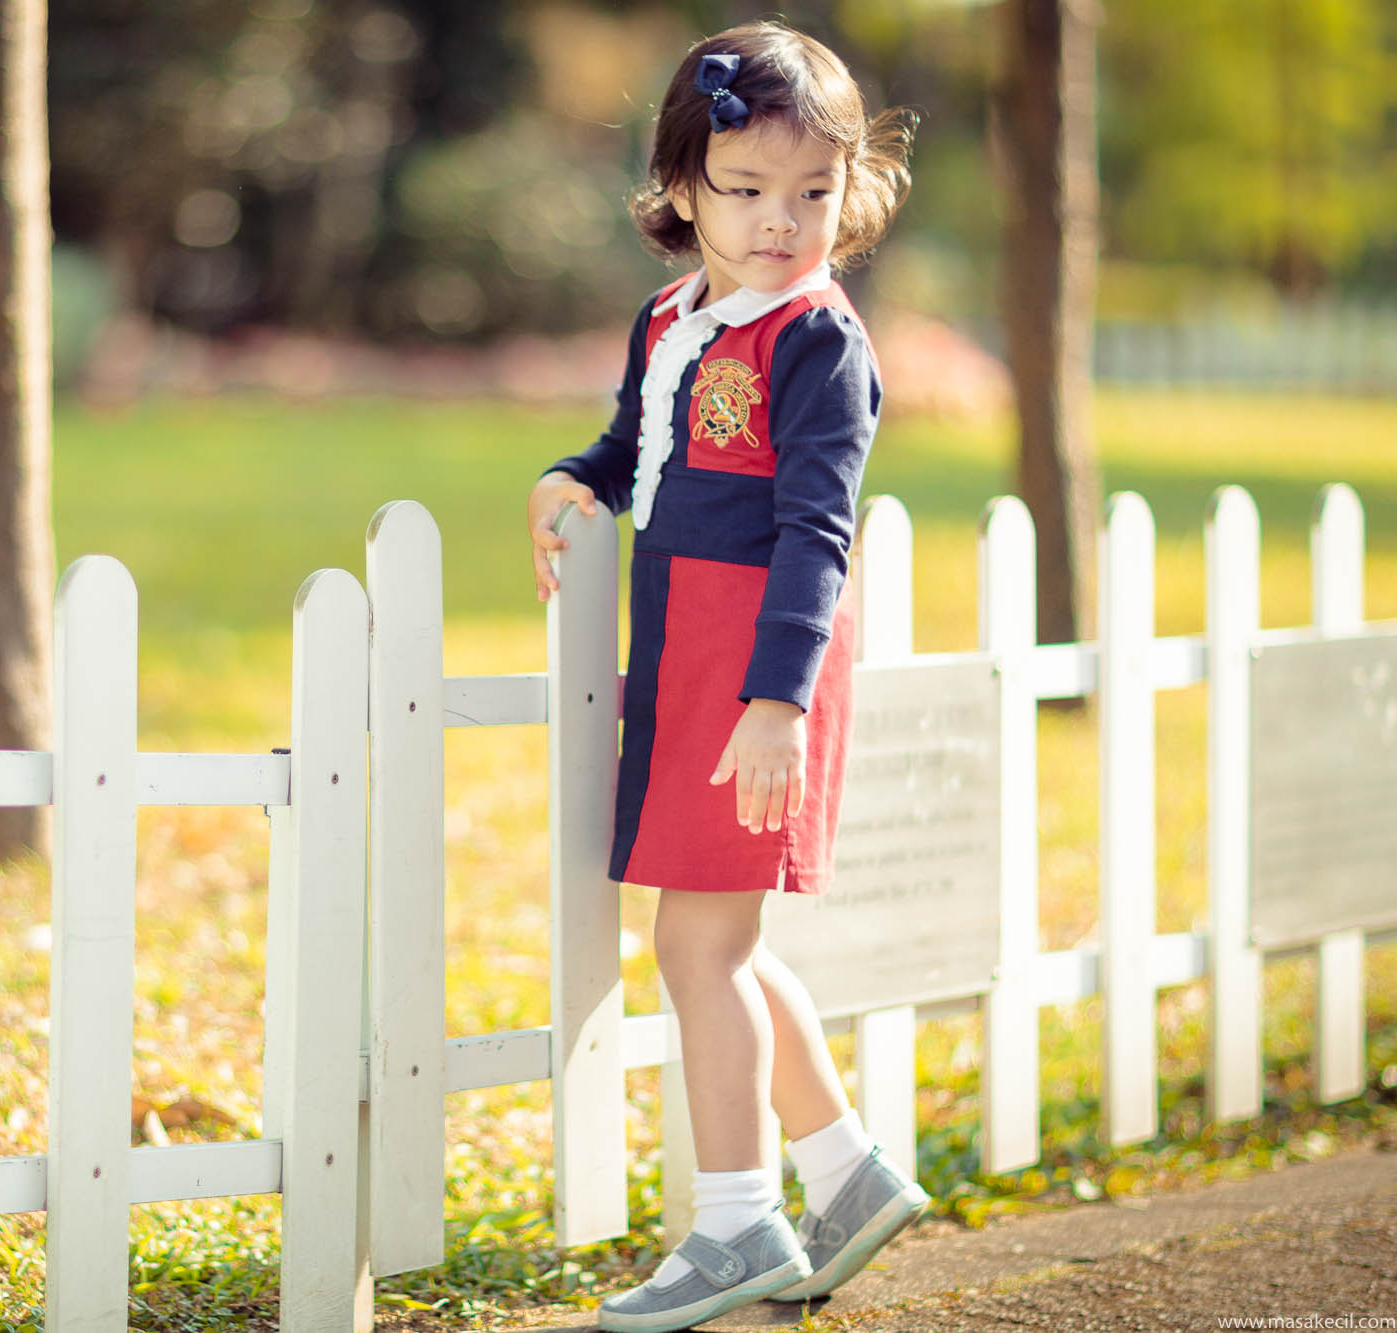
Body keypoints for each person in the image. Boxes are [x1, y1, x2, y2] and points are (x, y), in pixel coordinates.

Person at [525, 21, 928, 1332]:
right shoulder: (676, 319)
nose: (779, 223)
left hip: (756, 667)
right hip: (690, 655)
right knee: (721, 941)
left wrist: (778, 700)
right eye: (746, 193)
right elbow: (630, 445)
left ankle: (738, 1221)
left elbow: (820, 529)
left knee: (700, 942)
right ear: (683, 189)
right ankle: (843, 1175)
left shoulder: (819, 345)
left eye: (813, 193)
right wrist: (574, 480)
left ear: (850, 190)